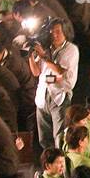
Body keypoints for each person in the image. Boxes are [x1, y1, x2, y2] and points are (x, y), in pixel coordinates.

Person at [30, 20, 80, 150]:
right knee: (44, 139)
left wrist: (43, 56)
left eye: (58, 32)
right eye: (52, 32)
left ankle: (61, 166)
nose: (54, 35)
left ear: (66, 32)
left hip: (59, 97)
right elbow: (36, 72)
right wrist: (30, 55)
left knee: (59, 137)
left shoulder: (71, 49)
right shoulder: (47, 48)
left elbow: (60, 71)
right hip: (42, 97)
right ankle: (49, 166)